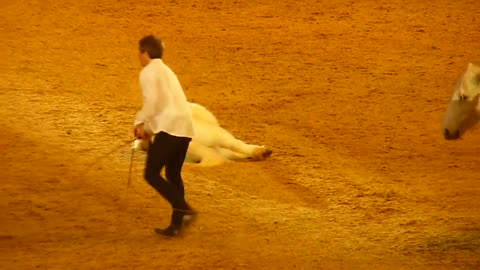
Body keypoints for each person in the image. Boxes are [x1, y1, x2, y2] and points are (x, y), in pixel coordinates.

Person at [133, 35, 196, 236]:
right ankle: (177, 225)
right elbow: (163, 103)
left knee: (151, 173)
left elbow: (152, 102)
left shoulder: (148, 72)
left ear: (145, 53)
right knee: (172, 174)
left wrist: (140, 123)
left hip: (170, 128)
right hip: (185, 128)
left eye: (139, 52)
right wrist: (149, 130)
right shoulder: (167, 71)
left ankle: (183, 208)